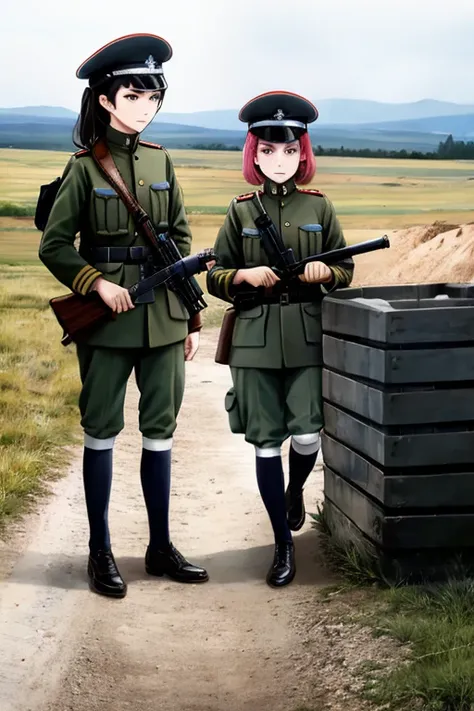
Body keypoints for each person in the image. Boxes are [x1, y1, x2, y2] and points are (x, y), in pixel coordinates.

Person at [39, 33, 209, 598]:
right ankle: (100, 552)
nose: (146, 105)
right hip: (106, 323)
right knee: (102, 433)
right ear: (106, 99)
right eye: (135, 94)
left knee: (161, 433)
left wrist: (186, 319)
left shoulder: (162, 161)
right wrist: (96, 284)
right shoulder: (85, 169)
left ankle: (159, 547)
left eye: (153, 96)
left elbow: (180, 239)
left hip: (161, 319)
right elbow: (56, 245)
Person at [207, 91, 354, 587]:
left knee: (309, 429)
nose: (279, 160)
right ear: (254, 153)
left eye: (289, 150)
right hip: (254, 340)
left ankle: (294, 494)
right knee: (266, 442)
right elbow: (216, 276)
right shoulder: (241, 210)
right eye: (268, 151)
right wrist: (245, 278)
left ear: (303, 153)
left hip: (309, 336)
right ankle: (282, 544)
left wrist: (324, 272)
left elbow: (345, 268)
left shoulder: (320, 206)